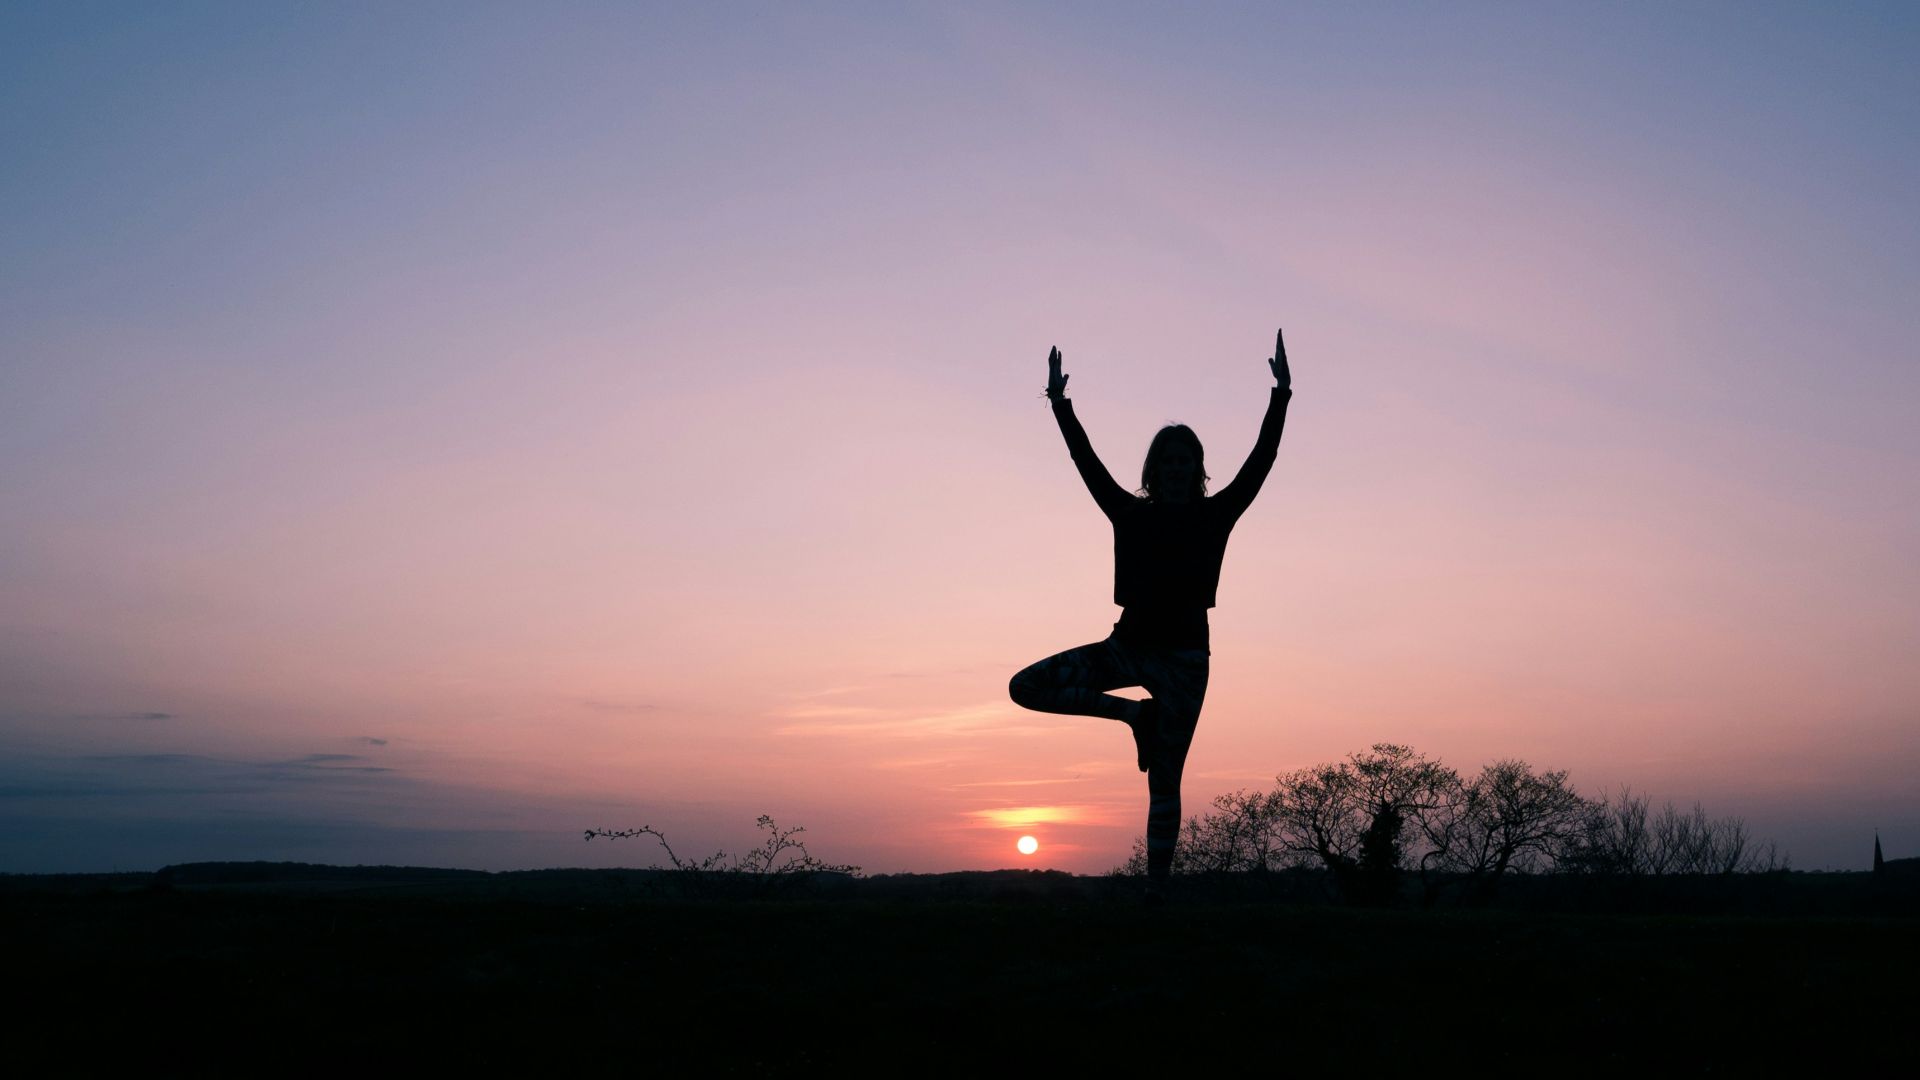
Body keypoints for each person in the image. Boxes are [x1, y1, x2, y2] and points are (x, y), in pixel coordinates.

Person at [1008, 328, 1293, 891]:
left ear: (1198, 468)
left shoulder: (1217, 515)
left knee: (1165, 782)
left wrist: (1281, 394)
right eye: (1167, 462)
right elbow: (1085, 463)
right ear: (1154, 470)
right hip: (1127, 648)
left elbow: (1263, 459)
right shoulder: (1128, 514)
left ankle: (1157, 895)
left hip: (1185, 661)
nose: (1176, 469)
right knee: (1026, 687)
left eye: (1185, 461)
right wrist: (1060, 404)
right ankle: (1135, 717)